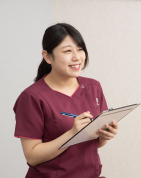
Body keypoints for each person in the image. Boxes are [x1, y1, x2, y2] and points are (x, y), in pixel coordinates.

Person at [13, 23, 118, 178]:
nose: (77, 57)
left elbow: (93, 144)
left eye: (80, 49)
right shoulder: (32, 97)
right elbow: (32, 156)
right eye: (68, 51)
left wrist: (104, 136)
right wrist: (72, 134)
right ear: (48, 57)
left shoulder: (93, 87)